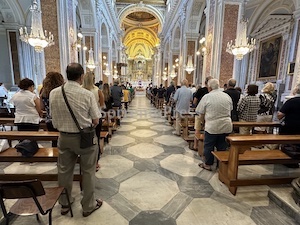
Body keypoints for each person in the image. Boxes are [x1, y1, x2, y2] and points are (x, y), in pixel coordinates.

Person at [49, 63, 102, 217]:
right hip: (84, 138)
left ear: (67, 75)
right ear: (81, 76)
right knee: (88, 172)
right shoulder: (87, 94)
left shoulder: (54, 93)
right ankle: (88, 205)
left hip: (64, 137)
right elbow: (96, 120)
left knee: (64, 171)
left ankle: (65, 204)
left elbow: (52, 114)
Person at [196, 79, 232, 171]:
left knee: (208, 145)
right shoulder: (226, 96)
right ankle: (221, 165)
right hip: (226, 125)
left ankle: (208, 164)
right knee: (222, 145)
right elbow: (230, 109)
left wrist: (202, 122)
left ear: (210, 88)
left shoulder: (207, 97)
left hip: (212, 125)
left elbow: (200, 111)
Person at [82, 72, 105, 172]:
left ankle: (84, 161)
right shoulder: (97, 90)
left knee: (83, 140)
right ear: (93, 80)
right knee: (96, 139)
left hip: (82, 118)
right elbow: (102, 105)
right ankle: (95, 162)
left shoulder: (80, 90)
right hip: (95, 117)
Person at [40, 72, 64, 146]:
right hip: (61, 119)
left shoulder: (43, 92)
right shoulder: (61, 91)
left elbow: (42, 107)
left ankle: (54, 154)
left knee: (54, 141)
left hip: (49, 120)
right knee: (62, 140)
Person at [193, 76, 212, 150]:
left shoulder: (200, 90)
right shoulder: (212, 93)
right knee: (206, 129)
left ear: (205, 82)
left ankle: (195, 145)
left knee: (197, 129)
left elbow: (195, 100)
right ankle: (205, 146)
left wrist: (195, 108)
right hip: (209, 113)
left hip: (200, 112)